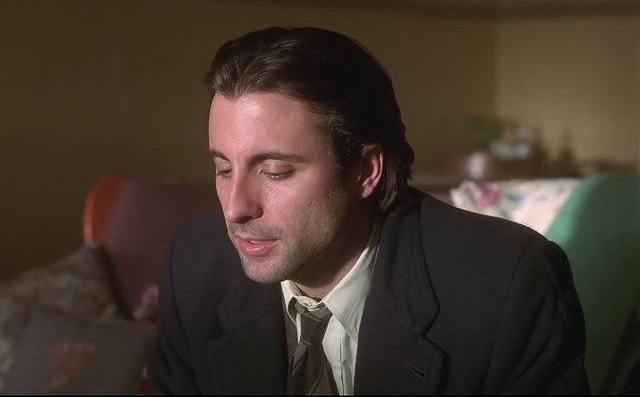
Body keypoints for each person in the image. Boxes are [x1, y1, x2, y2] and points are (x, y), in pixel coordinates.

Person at [146, 26, 590, 395]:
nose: (235, 208)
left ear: (365, 171)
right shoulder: (193, 266)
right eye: (223, 169)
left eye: (276, 172)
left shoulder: (508, 284)